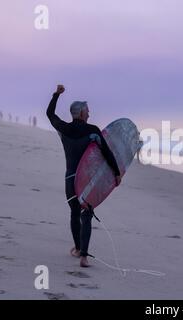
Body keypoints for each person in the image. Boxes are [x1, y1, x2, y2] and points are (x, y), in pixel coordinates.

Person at [46, 85, 121, 267]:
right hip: (87, 180)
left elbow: (50, 114)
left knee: (74, 212)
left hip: (70, 178)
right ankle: (84, 257)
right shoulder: (93, 131)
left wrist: (56, 94)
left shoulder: (63, 128)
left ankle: (78, 248)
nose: (89, 113)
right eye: (87, 111)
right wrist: (116, 173)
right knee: (86, 214)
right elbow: (106, 152)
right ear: (80, 113)